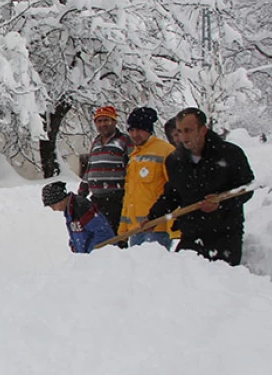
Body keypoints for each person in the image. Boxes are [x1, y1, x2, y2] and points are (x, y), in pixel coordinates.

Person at [145, 107, 255, 266]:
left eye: (188, 130)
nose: (183, 137)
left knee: (222, 284)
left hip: (225, 233)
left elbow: (246, 188)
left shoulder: (230, 154)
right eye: (180, 131)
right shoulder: (175, 161)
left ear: (203, 130)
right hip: (191, 233)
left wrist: (220, 202)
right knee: (184, 280)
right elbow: (172, 194)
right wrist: (153, 216)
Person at [119, 107, 176, 248]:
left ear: (149, 130)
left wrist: (172, 226)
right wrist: (123, 229)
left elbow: (174, 189)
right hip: (135, 229)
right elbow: (129, 196)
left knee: (153, 268)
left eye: (139, 130)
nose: (134, 134)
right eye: (131, 130)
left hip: (156, 228)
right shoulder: (134, 156)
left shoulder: (165, 151)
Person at [78, 105, 132, 234]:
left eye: (106, 120)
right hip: (97, 199)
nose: (103, 124)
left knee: (115, 236)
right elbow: (90, 169)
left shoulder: (124, 140)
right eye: (99, 121)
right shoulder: (96, 143)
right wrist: (81, 194)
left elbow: (132, 168)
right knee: (100, 235)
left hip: (116, 199)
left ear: (114, 122)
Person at [43, 181, 115, 253]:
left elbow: (102, 232)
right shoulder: (69, 210)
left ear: (60, 200)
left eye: (53, 206)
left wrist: (91, 253)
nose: (53, 209)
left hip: (101, 255)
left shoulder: (81, 208)